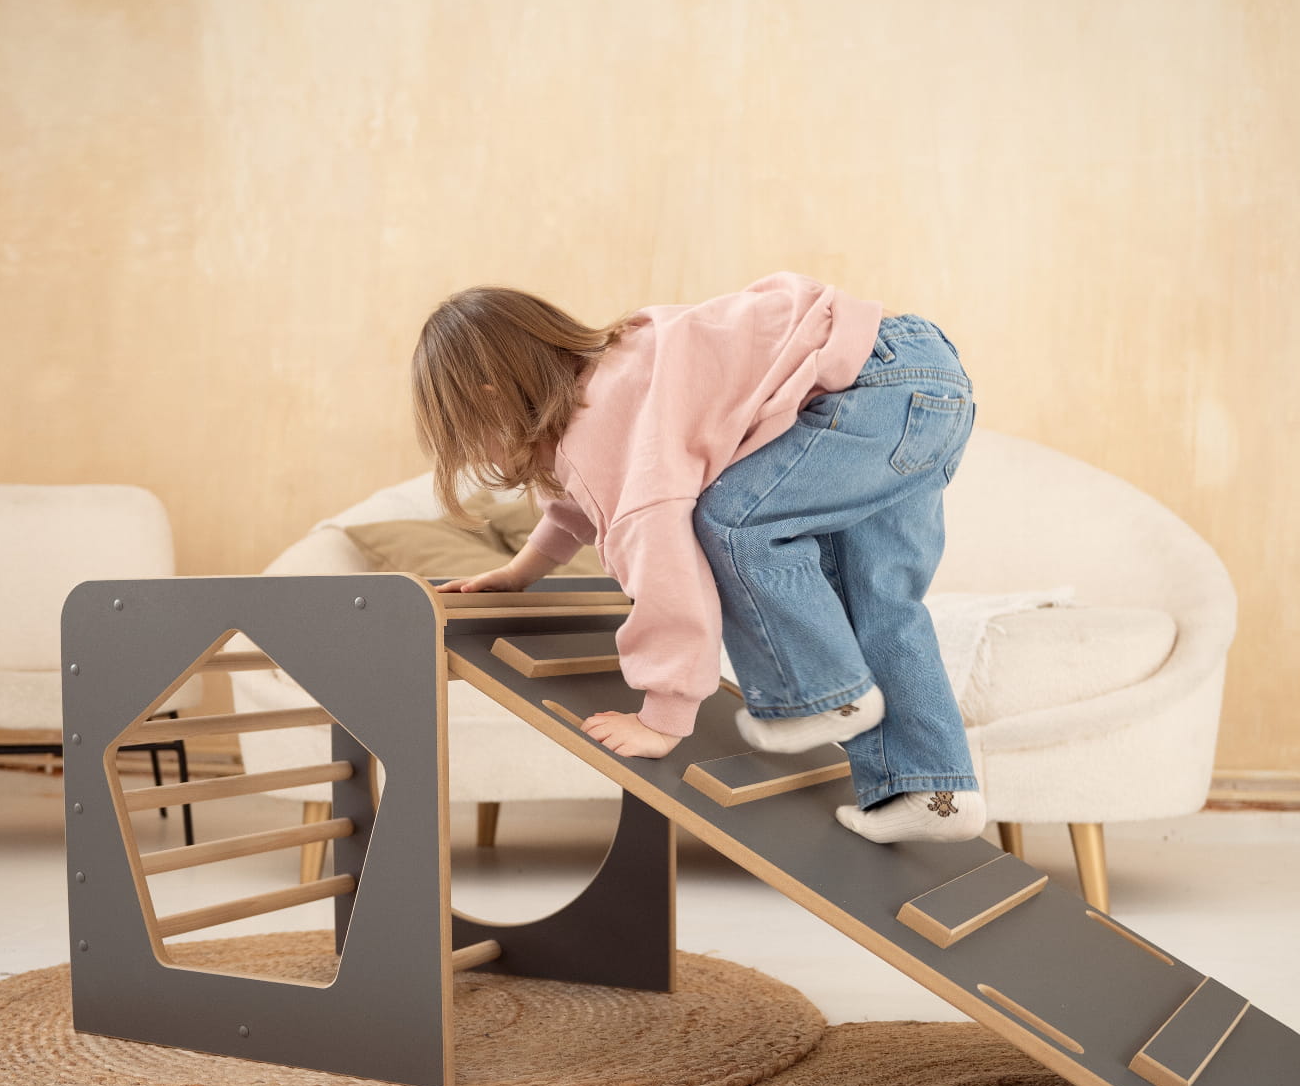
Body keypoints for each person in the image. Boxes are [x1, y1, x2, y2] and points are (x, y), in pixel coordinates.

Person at [411, 273, 982, 842]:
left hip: (873, 388)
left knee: (731, 522)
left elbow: (668, 576)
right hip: (923, 376)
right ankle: (938, 793)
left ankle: (824, 696)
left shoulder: (602, 425)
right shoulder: (621, 379)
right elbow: (581, 506)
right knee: (879, 605)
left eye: (467, 437)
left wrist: (662, 719)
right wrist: (519, 572)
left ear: (491, 398)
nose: (477, 455)